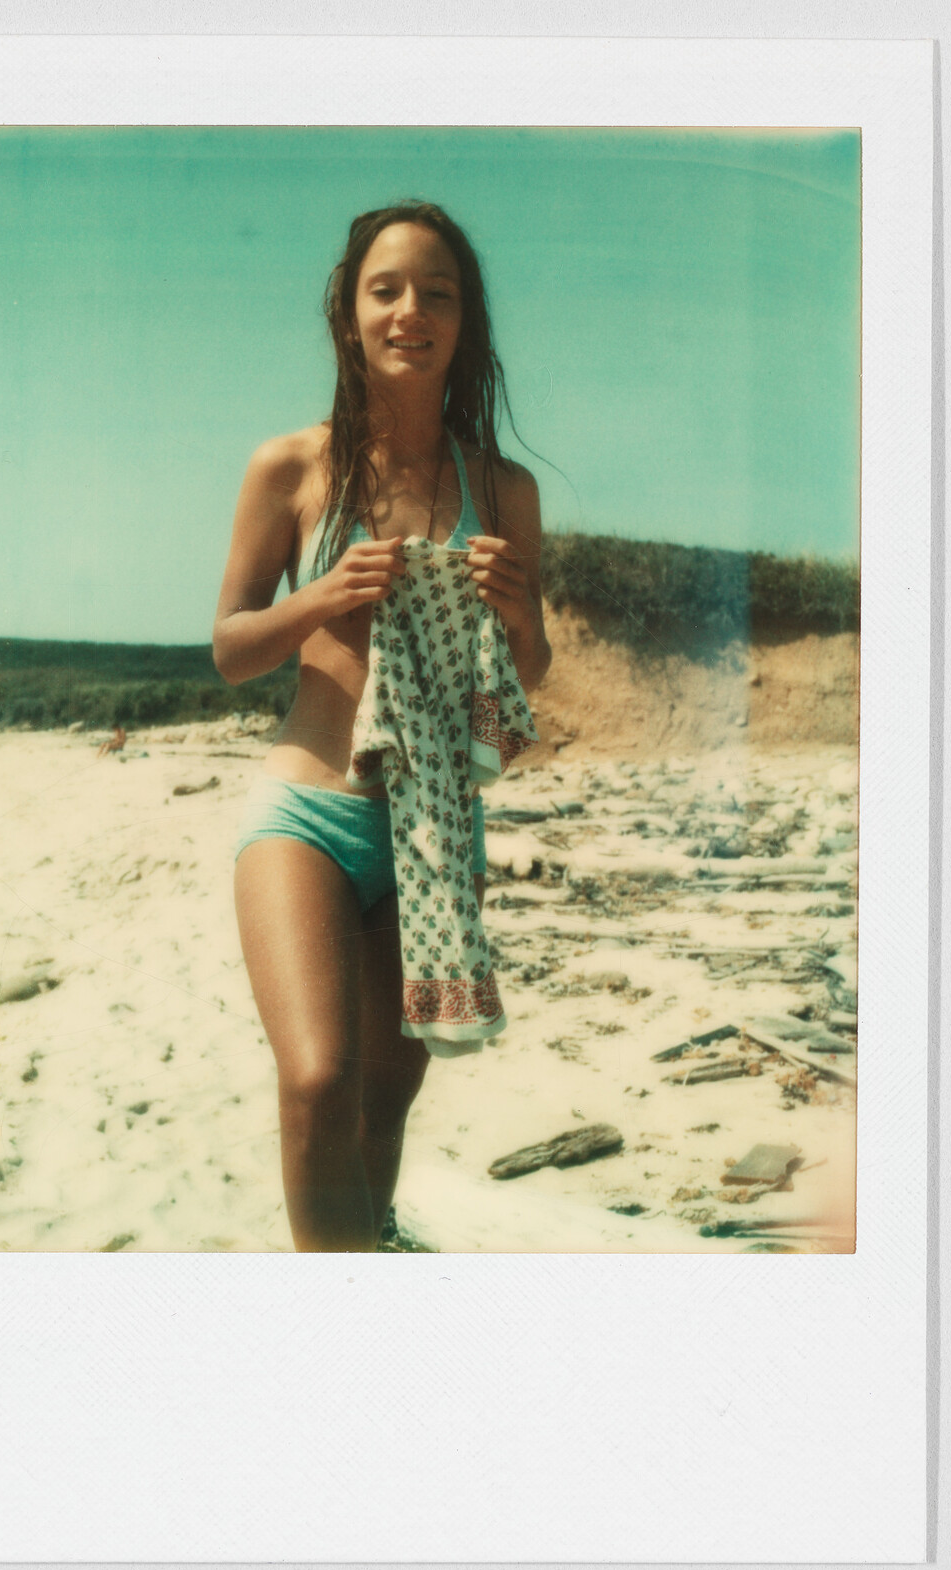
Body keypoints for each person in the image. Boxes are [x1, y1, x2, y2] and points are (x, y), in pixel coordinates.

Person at [212, 201, 553, 1253]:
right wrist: (320, 600)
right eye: (387, 288)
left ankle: (366, 1273)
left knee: (381, 1103)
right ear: (348, 311)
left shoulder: (500, 487)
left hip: (430, 832)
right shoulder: (292, 468)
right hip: (305, 812)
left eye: (437, 293)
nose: (412, 310)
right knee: (317, 1077)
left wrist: (511, 606)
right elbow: (230, 647)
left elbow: (529, 668)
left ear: (465, 323)